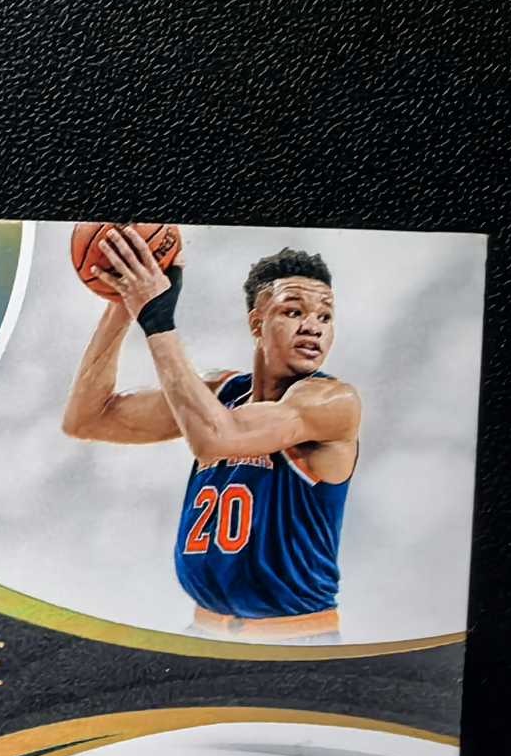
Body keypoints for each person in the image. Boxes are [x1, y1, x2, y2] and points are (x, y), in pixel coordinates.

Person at [62, 227, 361, 640]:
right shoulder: (223, 392)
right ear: (257, 323)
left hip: (292, 640)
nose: (314, 326)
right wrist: (124, 302)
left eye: (325, 316)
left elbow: (215, 439)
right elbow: (87, 418)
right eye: (294, 311)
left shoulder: (332, 402)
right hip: (204, 630)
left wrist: (157, 320)